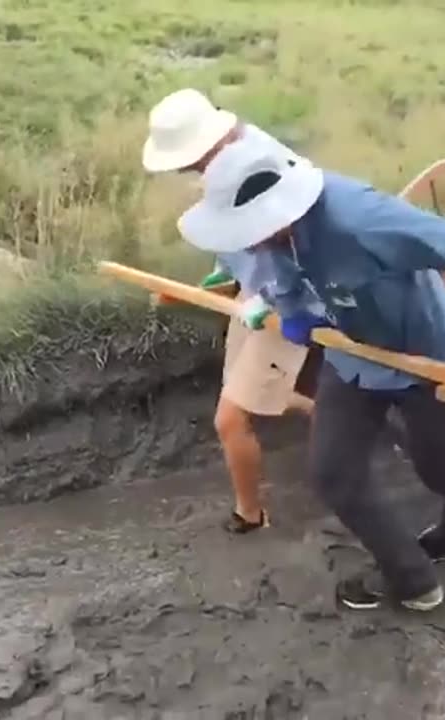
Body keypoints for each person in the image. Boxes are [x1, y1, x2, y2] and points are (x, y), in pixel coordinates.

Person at [175, 135, 445, 612]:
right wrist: (292, 309)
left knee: (436, 463)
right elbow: (278, 272)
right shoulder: (270, 232)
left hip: (428, 355)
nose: (247, 242)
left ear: (281, 211)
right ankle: (413, 580)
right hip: (352, 351)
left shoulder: (362, 220)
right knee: (334, 473)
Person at [141, 88, 319, 534]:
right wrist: (222, 274)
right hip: (254, 294)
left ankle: (250, 514)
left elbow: (299, 240)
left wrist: (273, 298)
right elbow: (234, 229)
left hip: (287, 300)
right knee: (242, 390)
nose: (185, 169)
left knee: (230, 418)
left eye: (187, 160)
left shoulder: (263, 163)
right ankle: (326, 411)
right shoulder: (222, 163)